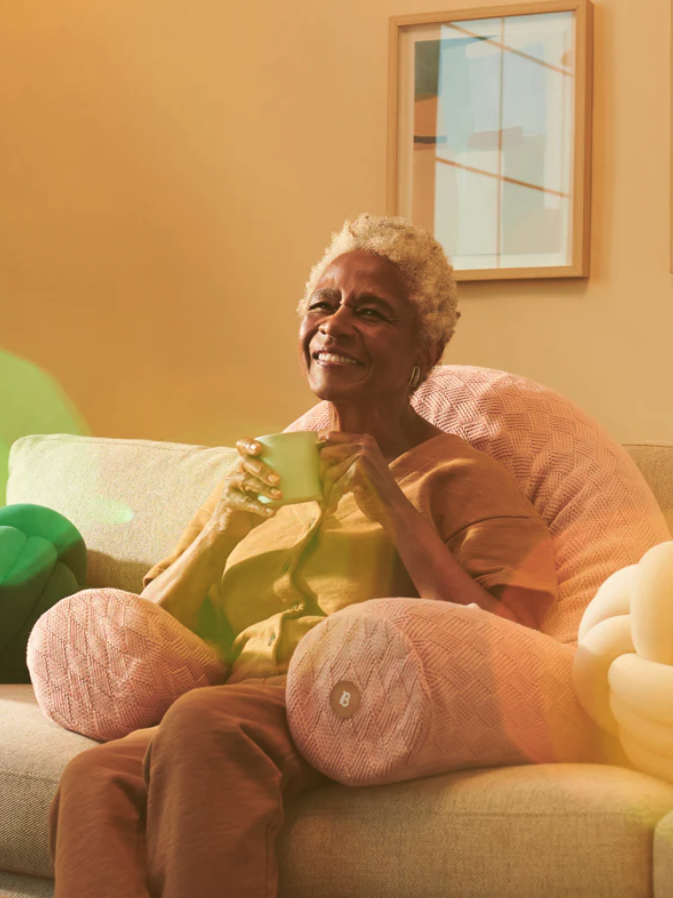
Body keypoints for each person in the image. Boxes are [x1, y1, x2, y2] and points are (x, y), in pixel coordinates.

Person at [48, 214, 563, 898]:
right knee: (95, 779)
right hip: (234, 703)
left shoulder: (461, 476)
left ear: (424, 350)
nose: (335, 323)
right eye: (322, 304)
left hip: (357, 703)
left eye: (370, 311)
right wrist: (222, 529)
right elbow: (149, 627)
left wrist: (392, 505)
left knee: (204, 721)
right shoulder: (258, 472)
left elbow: (513, 643)